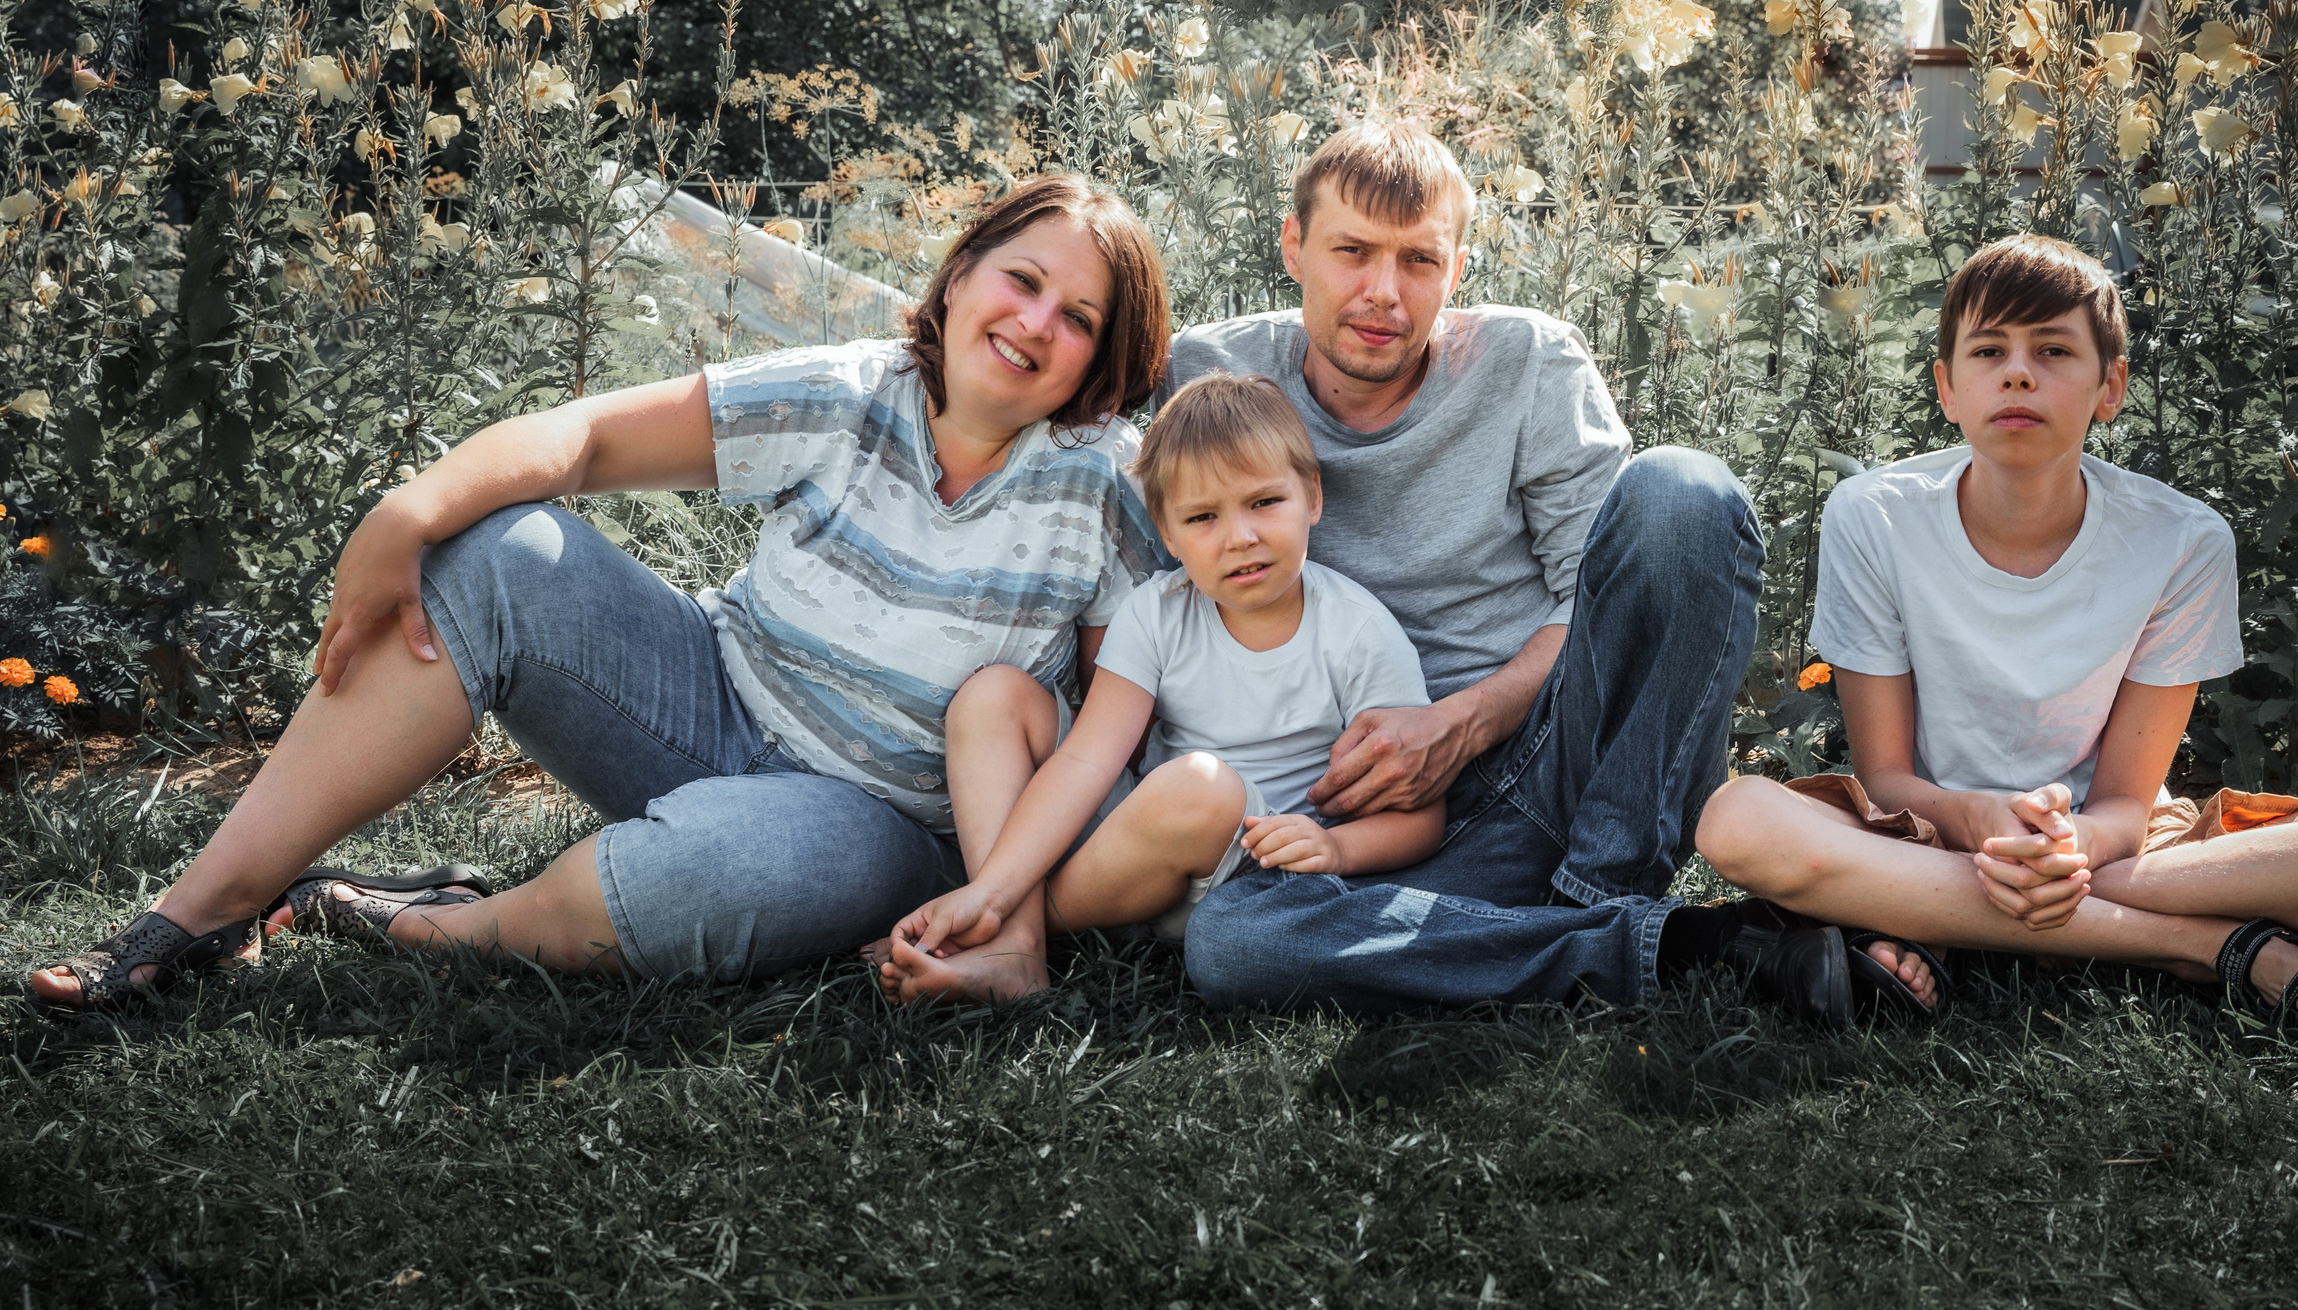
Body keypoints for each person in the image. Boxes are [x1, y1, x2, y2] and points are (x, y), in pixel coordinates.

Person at [28, 175, 1172, 1007]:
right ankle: (206, 907)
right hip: (705, 700)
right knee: (497, 551)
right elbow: (577, 439)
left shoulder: (1101, 486)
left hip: (878, 821)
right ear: (962, 270)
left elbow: (1119, 702)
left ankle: (431, 921)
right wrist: (406, 512)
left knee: (697, 879)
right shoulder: (847, 392)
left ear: (1100, 360)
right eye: (1021, 280)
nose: (1034, 323)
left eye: (1078, 319)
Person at [1695, 232, 2298, 1037]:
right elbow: (1889, 779)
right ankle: (2207, 946)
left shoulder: (2181, 540)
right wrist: (1979, 823)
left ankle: (1930, 915)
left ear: (2110, 386)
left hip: (2122, 849)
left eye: (2053, 349)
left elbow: (2123, 799)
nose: (2017, 371)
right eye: (1988, 351)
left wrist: (2071, 844)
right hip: (1926, 829)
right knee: (1737, 822)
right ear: (1946, 388)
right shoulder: (1874, 515)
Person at [1159, 119, 1784, 1013]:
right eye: (1352, 251)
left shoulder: (1528, 364)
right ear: (1294, 245)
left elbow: (1591, 595)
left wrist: (1463, 721)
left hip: (1550, 762)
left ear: (1456, 271)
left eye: (1418, 260)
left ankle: (1602, 892)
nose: (1383, 292)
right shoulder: (1211, 373)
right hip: (1354, 818)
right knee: (1237, 943)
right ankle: (1671, 945)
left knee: (1684, 493)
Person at [876, 372, 1437, 1004]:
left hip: (1249, 874)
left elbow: (1420, 815)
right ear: (1167, 535)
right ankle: (1008, 931)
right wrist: (992, 887)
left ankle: (998, 929)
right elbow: (1089, 758)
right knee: (993, 697)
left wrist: (1334, 847)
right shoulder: (1156, 611)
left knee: (1199, 789)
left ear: (1311, 495)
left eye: (1264, 503)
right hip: (1139, 845)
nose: (1240, 537)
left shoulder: (1359, 632)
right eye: (1202, 517)